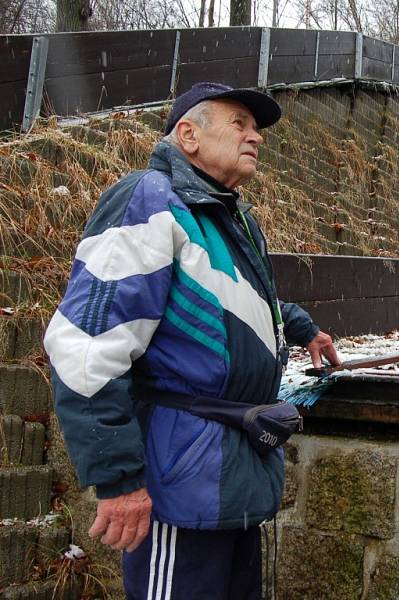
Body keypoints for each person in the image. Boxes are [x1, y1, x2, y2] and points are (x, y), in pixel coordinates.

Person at [44, 82, 340, 599]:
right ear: (189, 135)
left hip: (229, 471)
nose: (255, 138)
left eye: (256, 129)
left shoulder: (229, 218)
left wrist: (300, 327)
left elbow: (240, 302)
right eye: (239, 124)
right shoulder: (151, 201)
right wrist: (118, 479)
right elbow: (86, 346)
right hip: (180, 476)